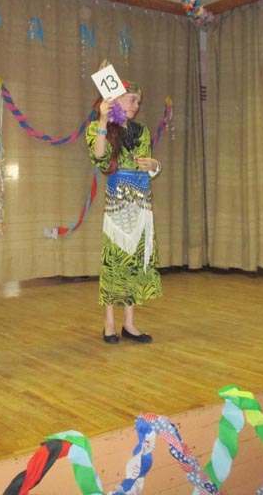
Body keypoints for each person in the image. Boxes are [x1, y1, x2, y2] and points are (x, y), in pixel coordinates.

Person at [85, 80, 162, 344]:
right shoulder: (99, 128)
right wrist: (103, 121)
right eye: (131, 99)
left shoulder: (142, 132)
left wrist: (155, 165)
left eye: (138, 101)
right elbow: (100, 158)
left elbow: (148, 167)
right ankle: (109, 323)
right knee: (114, 262)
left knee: (135, 261)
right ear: (116, 99)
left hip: (141, 203)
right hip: (118, 203)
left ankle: (129, 323)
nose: (136, 105)